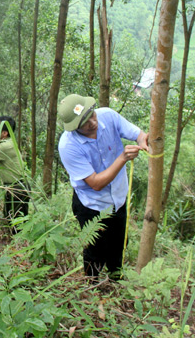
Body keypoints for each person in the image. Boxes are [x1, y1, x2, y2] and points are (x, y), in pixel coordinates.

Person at [57, 94, 148, 278]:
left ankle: (116, 281)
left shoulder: (108, 116)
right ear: (74, 127)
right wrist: (122, 158)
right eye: (84, 122)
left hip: (118, 199)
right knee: (95, 250)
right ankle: (93, 287)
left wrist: (143, 141)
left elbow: (138, 134)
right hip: (92, 205)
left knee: (119, 245)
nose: (92, 122)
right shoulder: (68, 146)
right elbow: (95, 183)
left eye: (92, 114)